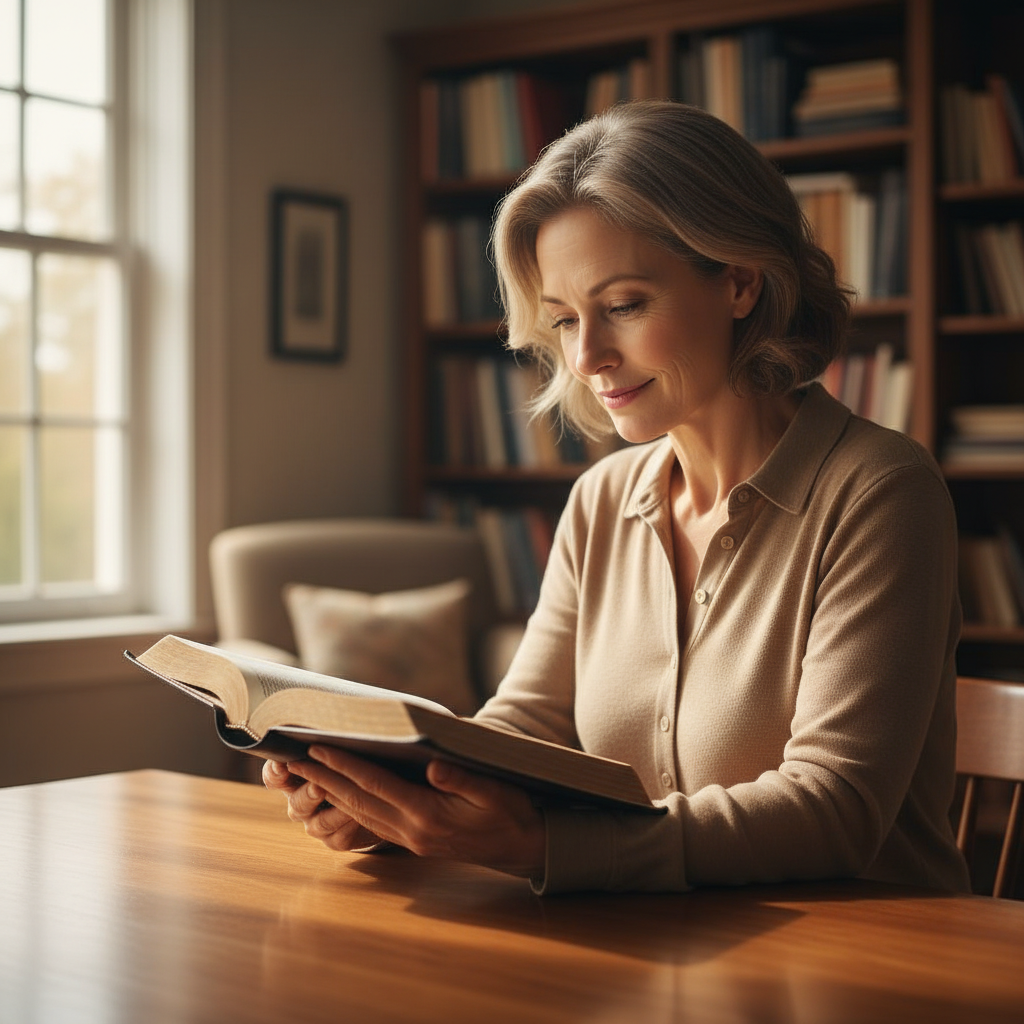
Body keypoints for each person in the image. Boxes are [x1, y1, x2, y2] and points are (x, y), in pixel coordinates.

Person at [265, 100, 970, 895]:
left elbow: (834, 808)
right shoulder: (602, 499)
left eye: (624, 305)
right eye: (564, 320)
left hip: (870, 967)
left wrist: (542, 846)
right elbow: (525, 726)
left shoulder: (881, 493)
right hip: (653, 945)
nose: (588, 357)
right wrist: (399, 805)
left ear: (740, 281)